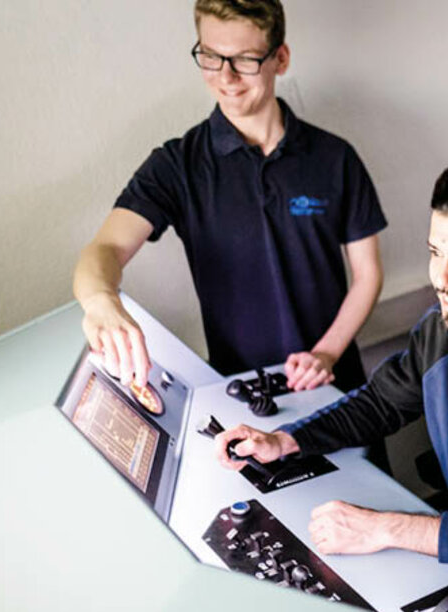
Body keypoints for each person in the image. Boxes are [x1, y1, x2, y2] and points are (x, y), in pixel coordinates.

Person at [213, 156, 448, 571]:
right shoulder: (442, 328)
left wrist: (386, 529)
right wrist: (286, 441)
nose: (442, 279)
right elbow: (381, 403)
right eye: (436, 253)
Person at [73, 0, 386, 394]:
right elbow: (105, 249)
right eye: (211, 56)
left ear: (280, 58)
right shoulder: (177, 166)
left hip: (339, 386)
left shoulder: (335, 158)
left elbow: (368, 274)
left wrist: (325, 353)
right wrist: (100, 301)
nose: (226, 76)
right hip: (242, 398)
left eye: (245, 59)